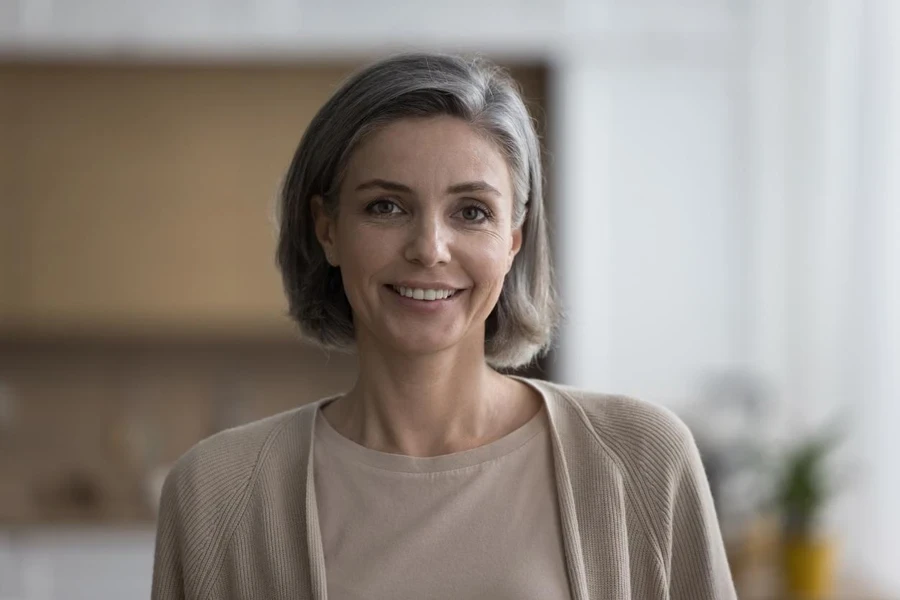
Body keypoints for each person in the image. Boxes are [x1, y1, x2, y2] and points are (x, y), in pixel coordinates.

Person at [151, 52, 737, 600]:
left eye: (472, 212)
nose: (429, 249)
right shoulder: (216, 494)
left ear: (514, 240)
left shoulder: (639, 460)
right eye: (386, 206)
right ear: (327, 229)